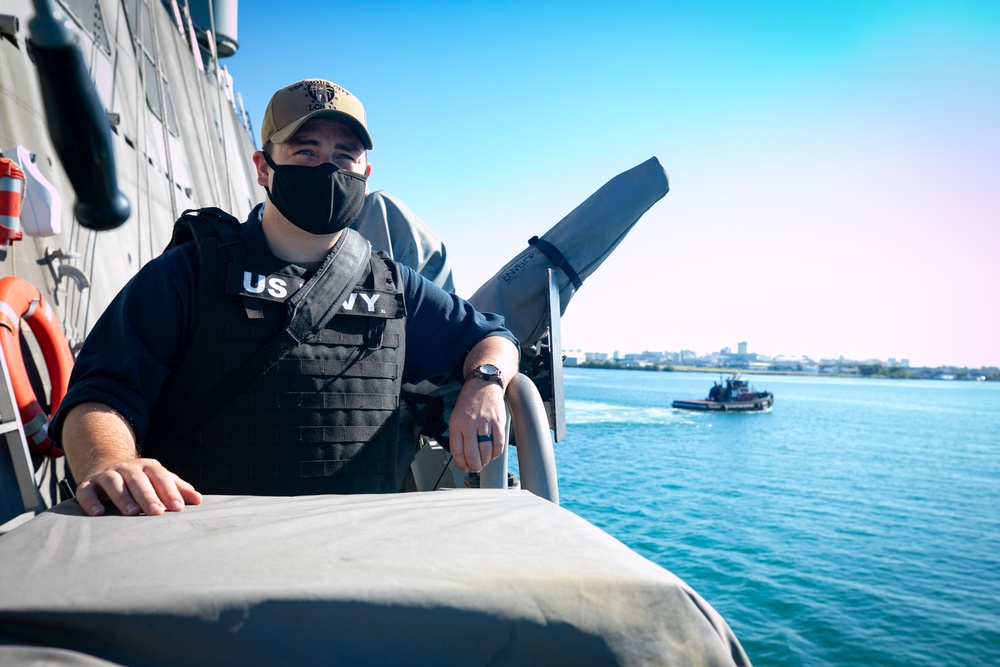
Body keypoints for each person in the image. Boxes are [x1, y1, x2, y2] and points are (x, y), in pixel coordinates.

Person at [50, 78, 519, 518]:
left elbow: (492, 336)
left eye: (344, 155)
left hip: (359, 553)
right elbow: (99, 395)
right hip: (203, 547)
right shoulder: (187, 274)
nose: (327, 168)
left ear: (365, 172)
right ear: (263, 167)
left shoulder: (395, 286)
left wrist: (486, 382)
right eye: (305, 151)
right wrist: (109, 462)